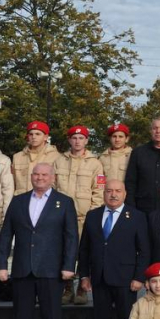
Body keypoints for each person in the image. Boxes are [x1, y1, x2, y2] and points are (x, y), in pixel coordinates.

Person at [0, 162, 78, 319]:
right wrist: (1, 264)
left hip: (51, 271)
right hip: (23, 270)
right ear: (31, 177)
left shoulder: (64, 202)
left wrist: (69, 266)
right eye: (36, 174)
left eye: (44, 174)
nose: (39, 178)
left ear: (52, 177)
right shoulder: (19, 201)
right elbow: (5, 235)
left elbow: (71, 237)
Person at [77, 179, 150, 319]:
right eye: (109, 191)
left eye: (118, 191)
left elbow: (144, 250)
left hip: (126, 280)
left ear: (125, 194)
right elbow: (84, 250)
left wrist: (139, 277)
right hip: (99, 278)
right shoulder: (93, 216)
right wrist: (84, 275)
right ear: (104, 193)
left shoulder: (136, 216)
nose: (113, 194)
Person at [55, 125, 105, 304]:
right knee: (64, 252)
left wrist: (94, 215)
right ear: (69, 140)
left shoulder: (95, 163)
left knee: (84, 253)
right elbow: (53, 188)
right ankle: (66, 288)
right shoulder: (59, 161)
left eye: (81, 138)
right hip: (61, 217)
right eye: (74, 138)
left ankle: (82, 289)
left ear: (86, 141)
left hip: (85, 216)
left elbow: (99, 191)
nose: (77, 141)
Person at [11, 120, 59, 195]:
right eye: (31, 134)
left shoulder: (56, 157)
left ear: (45, 137)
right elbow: (11, 184)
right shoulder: (17, 157)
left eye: (37, 134)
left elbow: (57, 184)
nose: (34, 137)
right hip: (21, 200)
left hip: (45, 200)